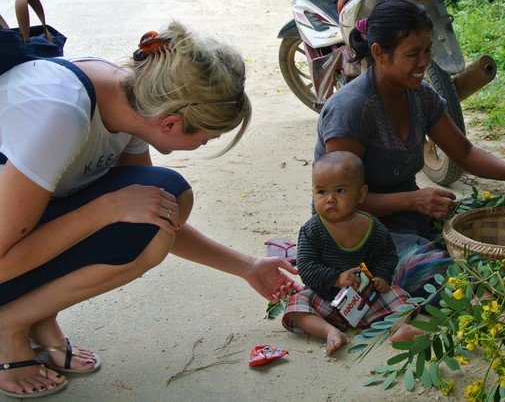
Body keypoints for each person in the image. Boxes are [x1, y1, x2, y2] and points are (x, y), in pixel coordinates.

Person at [0, 22, 301, 399]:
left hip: (16, 238)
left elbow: (150, 218)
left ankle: (37, 317)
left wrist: (245, 266)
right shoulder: (62, 115)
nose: (204, 143)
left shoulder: (128, 99)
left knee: (167, 195)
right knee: (153, 194)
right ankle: (9, 325)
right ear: (171, 123)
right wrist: (104, 209)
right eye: (206, 138)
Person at [314, 0, 505, 298]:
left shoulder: (420, 96)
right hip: (355, 232)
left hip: (408, 216)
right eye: (412, 54)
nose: (424, 62)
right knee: (448, 280)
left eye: (427, 50)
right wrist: (413, 200)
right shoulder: (351, 110)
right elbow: (340, 203)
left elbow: (464, 153)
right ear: (379, 53)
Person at [282, 150, 422, 356]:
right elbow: (306, 266)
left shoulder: (373, 227)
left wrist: (382, 276)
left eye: (340, 190)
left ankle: (400, 328)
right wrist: (336, 278)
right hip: (325, 298)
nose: (330, 199)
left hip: (364, 299)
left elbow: (388, 255)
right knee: (296, 304)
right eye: (321, 192)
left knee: (398, 296)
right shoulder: (312, 230)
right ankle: (330, 331)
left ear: (361, 194)